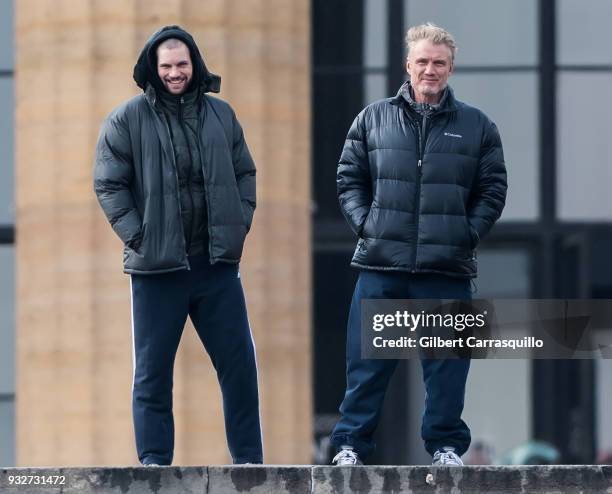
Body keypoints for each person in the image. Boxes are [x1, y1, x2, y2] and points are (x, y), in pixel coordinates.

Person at [330, 23, 507, 466]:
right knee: (366, 366)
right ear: (408, 65)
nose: (431, 70)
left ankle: (445, 447)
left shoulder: (477, 125)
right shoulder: (372, 119)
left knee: (447, 367)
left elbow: (492, 190)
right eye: (423, 61)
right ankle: (351, 445)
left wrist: (466, 234)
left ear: (451, 69)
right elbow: (349, 179)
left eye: (439, 63)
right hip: (381, 265)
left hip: (445, 268)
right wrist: (368, 227)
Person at [94, 25, 262, 466]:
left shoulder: (222, 115)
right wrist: (139, 236)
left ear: (195, 65)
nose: (174, 73)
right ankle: (154, 463)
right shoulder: (126, 119)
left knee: (240, 367)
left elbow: (245, 172)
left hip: (216, 266)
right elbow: (108, 183)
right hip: (157, 270)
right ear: (153, 67)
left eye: (181, 65)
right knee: (152, 375)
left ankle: (249, 461)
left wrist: (238, 223)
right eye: (166, 66)